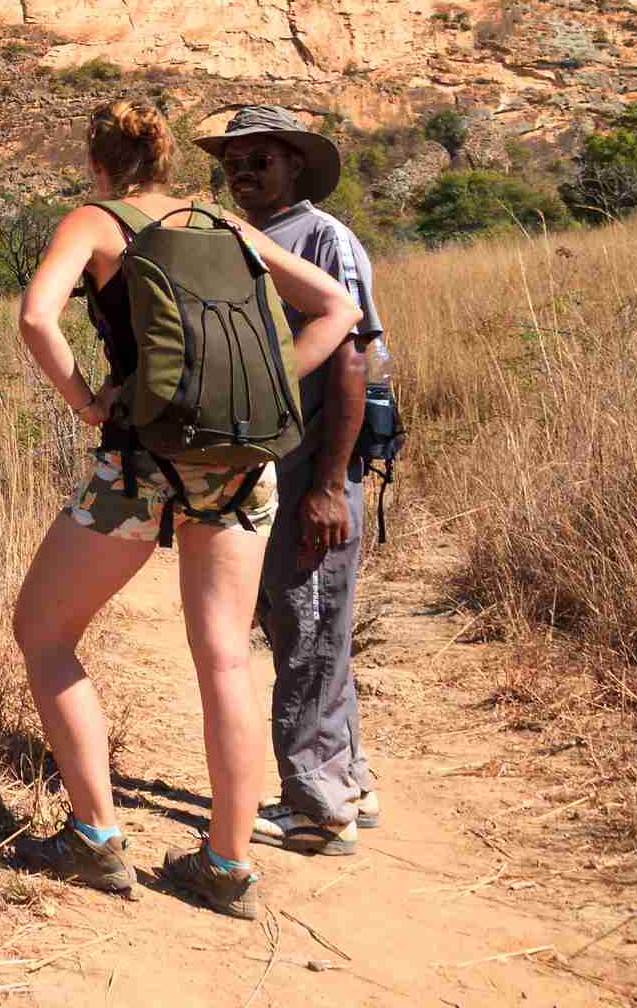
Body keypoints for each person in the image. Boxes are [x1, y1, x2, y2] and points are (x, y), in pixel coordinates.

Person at [10, 102, 361, 920]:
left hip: (142, 464)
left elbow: (36, 315)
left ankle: (96, 840)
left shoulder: (95, 221)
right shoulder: (226, 225)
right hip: (243, 466)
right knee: (226, 658)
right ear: (168, 163)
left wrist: (87, 402)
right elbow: (337, 311)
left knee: (44, 632)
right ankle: (227, 867)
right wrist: (279, 391)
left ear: (99, 163)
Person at [197, 104, 386, 857]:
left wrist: (326, 485)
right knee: (306, 627)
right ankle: (349, 779)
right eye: (233, 163)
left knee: (306, 629)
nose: (242, 173)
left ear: (296, 166)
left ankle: (314, 806)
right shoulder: (256, 241)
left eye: (260, 160)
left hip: (315, 473)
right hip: (278, 474)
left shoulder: (319, 239)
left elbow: (349, 360)